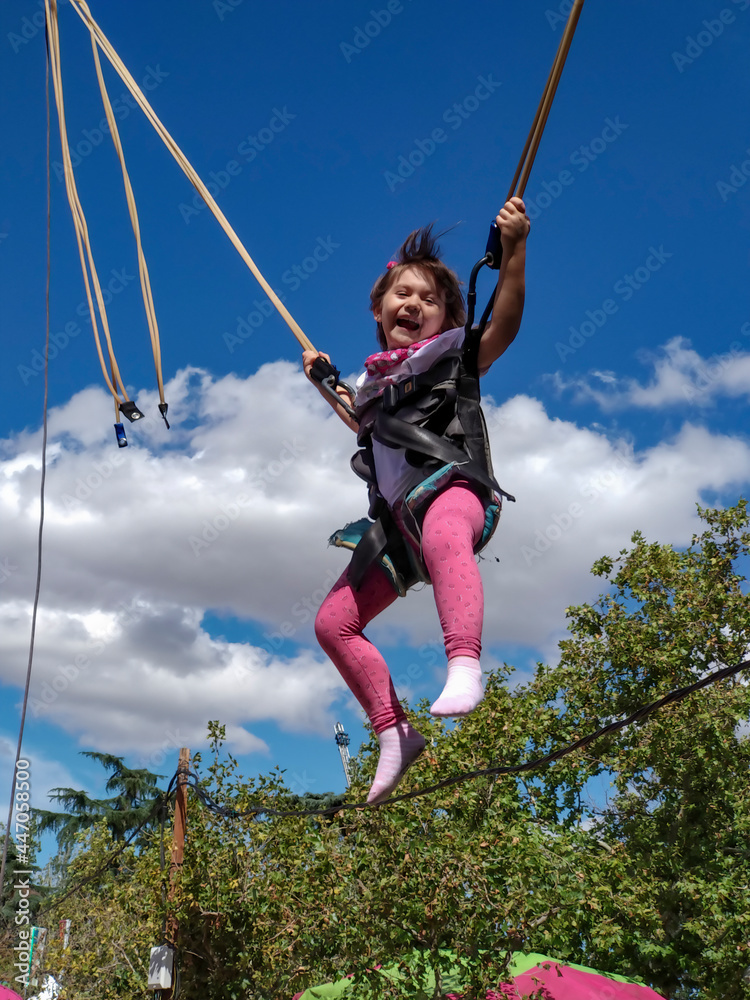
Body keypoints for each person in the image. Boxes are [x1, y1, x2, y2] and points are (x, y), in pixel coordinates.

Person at [302, 197, 530, 803]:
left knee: (443, 532)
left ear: (448, 319)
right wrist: (324, 383)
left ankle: (464, 662)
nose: (415, 305)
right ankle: (394, 730)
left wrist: (514, 253)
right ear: (379, 310)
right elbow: (364, 424)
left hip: (453, 491)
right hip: (399, 527)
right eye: (403, 294)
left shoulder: (454, 360)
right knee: (332, 623)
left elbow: (504, 322)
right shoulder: (378, 389)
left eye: (430, 300)